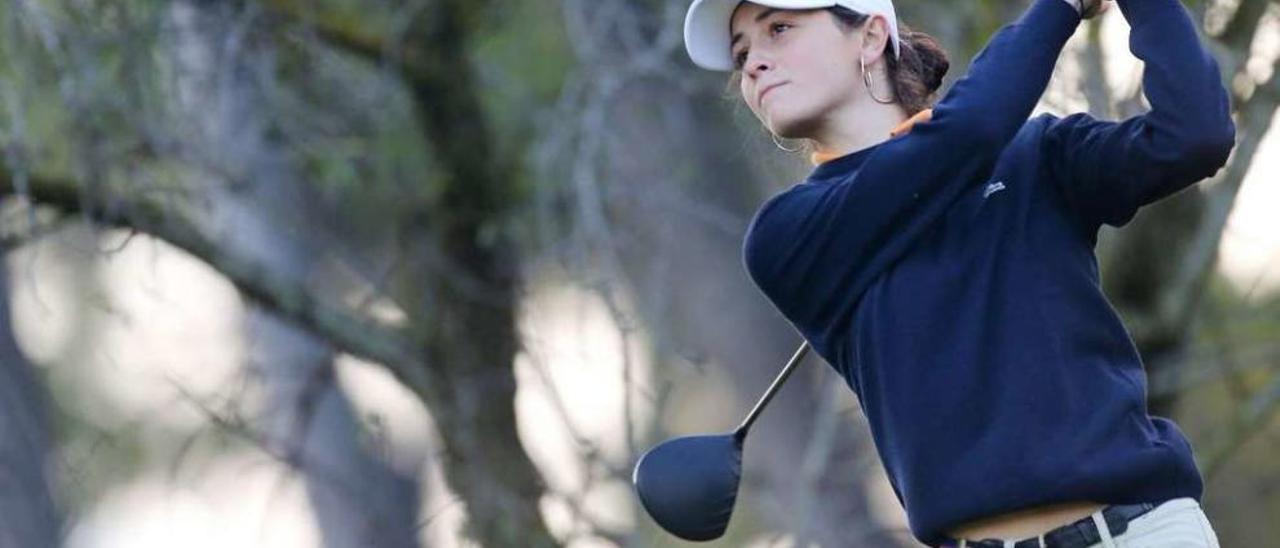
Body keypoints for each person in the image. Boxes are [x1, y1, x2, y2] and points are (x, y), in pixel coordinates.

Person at [681, 0, 1236, 546]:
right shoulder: (788, 235)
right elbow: (962, 137)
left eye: (779, 29)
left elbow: (1193, 135)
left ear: (871, 38)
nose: (753, 62)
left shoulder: (1033, 155)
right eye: (741, 52)